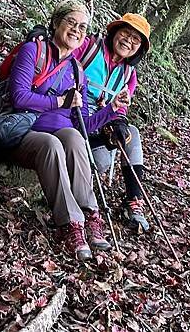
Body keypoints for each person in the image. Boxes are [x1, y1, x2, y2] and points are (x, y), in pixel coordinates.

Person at [8, 0, 129, 261]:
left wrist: (112, 110)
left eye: (82, 27)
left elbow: (82, 124)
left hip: (61, 133)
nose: (76, 30)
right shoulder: (34, 52)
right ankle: (70, 225)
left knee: (73, 136)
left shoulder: (77, 71)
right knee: (51, 145)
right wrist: (58, 102)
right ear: (55, 23)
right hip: (22, 132)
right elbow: (19, 97)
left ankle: (89, 214)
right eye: (71, 23)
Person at [73, 13, 151, 232]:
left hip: (101, 124)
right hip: (73, 117)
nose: (128, 40)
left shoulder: (128, 74)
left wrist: (119, 122)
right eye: (125, 33)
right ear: (114, 32)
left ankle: (133, 202)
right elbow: (63, 55)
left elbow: (122, 106)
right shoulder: (89, 48)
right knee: (100, 162)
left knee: (131, 133)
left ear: (140, 49)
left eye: (136, 40)